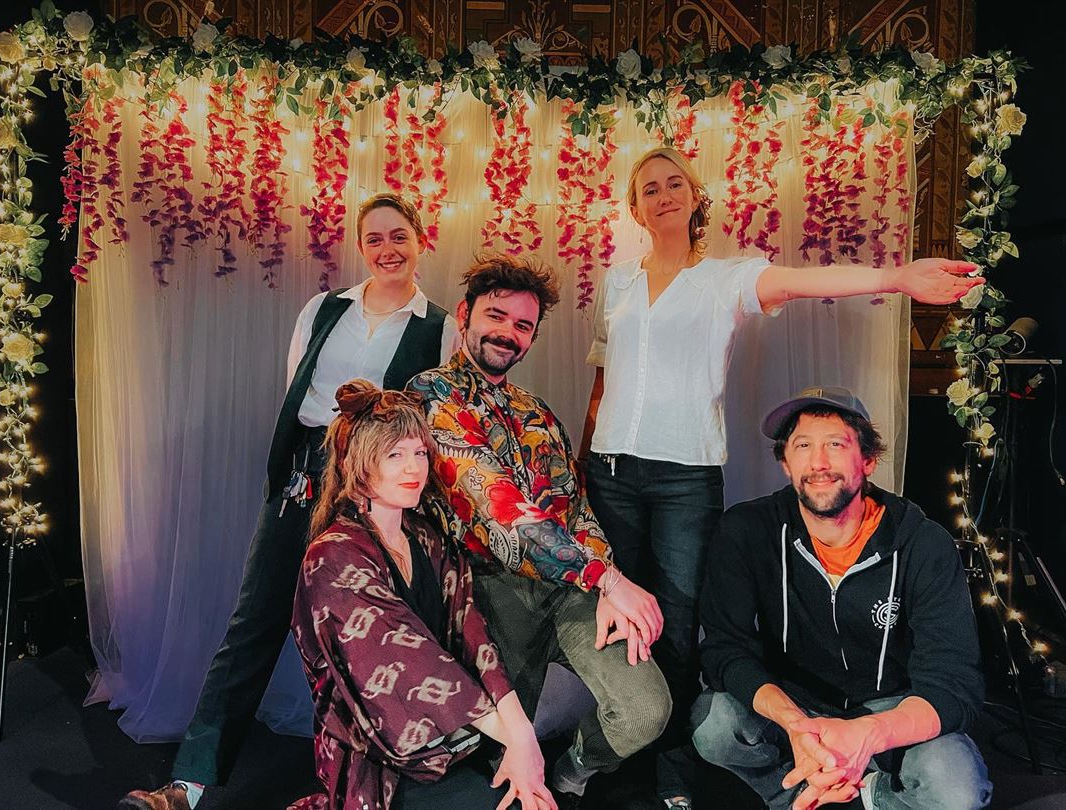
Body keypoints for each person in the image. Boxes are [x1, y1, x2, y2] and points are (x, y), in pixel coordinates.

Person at [579, 146, 985, 809]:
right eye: (649, 188)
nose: (663, 195)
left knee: (677, 630)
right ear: (636, 207)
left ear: (695, 196)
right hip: (611, 471)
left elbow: (805, 283)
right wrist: (583, 463)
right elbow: (604, 382)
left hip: (685, 478)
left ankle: (673, 780)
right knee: (616, 620)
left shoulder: (727, 279)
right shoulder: (617, 282)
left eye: (675, 183)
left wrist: (899, 277)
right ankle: (620, 761)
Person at [120, 194, 458, 810]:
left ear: (420, 239)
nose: (387, 249)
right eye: (375, 238)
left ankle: (369, 790)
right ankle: (185, 788)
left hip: (373, 492)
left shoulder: (440, 328)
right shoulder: (324, 310)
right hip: (305, 476)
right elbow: (295, 394)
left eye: (398, 236)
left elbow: (432, 427)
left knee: (371, 641)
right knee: (253, 625)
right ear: (362, 246)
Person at [407, 254, 672, 808]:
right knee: (497, 749)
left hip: (568, 585)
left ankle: (574, 772)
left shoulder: (538, 413)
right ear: (464, 315)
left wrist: (606, 581)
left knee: (646, 711)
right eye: (496, 316)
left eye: (523, 325)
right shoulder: (432, 395)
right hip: (486, 587)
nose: (508, 333)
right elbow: (498, 511)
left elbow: (576, 510)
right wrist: (606, 579)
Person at [692, 386, 990, 810]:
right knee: (715, 727)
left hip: (890, 712)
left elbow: (954, 684)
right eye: (803, 446)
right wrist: (796, 725)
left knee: (956, 791)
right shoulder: (747, 530)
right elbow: (725, 649)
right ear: (785, 462)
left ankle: (866, 795)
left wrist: (865, 733)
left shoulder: (924, 544)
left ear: (867, 460)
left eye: (835, 444)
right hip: (795, 708)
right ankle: (806, 793)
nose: (818, 462)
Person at [289, 380, 554, 810]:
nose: (413, 468)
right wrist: (517, 742)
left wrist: (521, 734)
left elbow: (472, 633)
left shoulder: (425, 539)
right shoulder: (332, 558)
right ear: (357, 465)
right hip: (378, 757)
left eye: (419, 453)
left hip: (455, 738)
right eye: (394, 455)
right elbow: (409, 659)